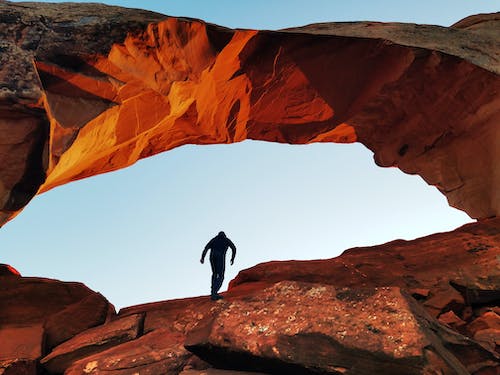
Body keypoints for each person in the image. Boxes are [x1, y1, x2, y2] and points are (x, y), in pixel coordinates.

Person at [200, 231, 236, 300]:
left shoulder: (214, 239)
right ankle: (214, 293)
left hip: (212, 256)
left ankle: (213, 292)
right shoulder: (226, 240)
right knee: (221, 275)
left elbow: (206, 247)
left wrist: (202, 257)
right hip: (220, 257)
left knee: (214, 274)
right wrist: (232, 258)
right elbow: (234, 248)